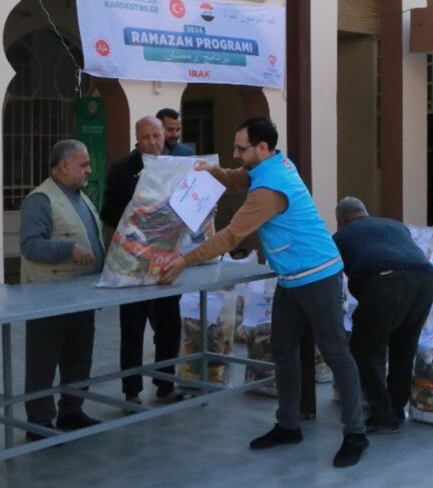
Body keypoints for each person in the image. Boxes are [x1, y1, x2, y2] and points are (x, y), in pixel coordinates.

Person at [157, 117, 369, 468]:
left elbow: (230, 237)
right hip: (290, 280)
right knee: (282, 350)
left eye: (241, 148)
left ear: (262, 148)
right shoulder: (271, 165)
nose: (235, 153)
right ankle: (288, 425)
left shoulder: (270, 190)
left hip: (318, 275)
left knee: (335, 353)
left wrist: (184, 259)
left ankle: (355, 433)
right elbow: (240, 176)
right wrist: (213, 170)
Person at [19, 139, 105, 441]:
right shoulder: (40, 200)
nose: (89, 170)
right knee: (44, 360)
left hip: (81, 293)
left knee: (79, 356)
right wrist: (69, 249)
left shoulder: (81, 198)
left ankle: (72, 410)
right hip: (48, 297)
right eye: (83, 164)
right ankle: (39, 423)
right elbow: (30, 245)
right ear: (64, 165)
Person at [333, 196, 433, 433]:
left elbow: (332, 276)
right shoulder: (394, 225)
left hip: (386, 281)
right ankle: (398, 409)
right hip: (427, 279)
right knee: (404, 346)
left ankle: (383, 415)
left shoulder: (340, 237)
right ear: (366, 212)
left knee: (365, 349)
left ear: (340, 219)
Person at [100, 116, 181, 405]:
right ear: (137, 139)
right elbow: (107, 212)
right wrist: (135, 215)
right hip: (134, 260)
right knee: (133, 326)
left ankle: (166, 382)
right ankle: (131, 391)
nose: (153, 142)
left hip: (167, 258)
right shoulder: (123, 170)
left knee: (170, 324)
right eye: (146, 137)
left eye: (157, 136)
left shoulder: (179, 164)